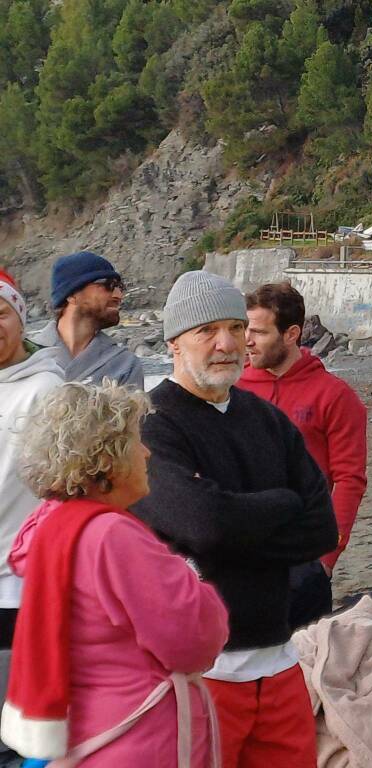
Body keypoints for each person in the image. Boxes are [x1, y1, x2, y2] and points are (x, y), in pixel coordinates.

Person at [131, 271, 337, 768]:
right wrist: (283, 503)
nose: (225, 344)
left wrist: (228, 530)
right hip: (198, 673)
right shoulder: (151, 424)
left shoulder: (266, 419)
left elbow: (322, 528)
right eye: (206, 330)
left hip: (280, 654)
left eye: (235, 328)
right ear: (174, 341)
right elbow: (204, 523)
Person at [0, 382, 228, 766]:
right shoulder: (113, 537)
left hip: (83, 735)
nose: (146, 452)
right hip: (134, 739)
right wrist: (190, 575)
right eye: (135, 441)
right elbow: (194, 639)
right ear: (107, 458)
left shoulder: (48, 525)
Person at [238, 283, 367, 627]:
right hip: (239, 555)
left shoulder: (334, 396)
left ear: (291, 334)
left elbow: (349, 480)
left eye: (259, 332)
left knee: (304, 668)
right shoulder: (232, 391)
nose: (247, 340)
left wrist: (326, 559)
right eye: (244, 328)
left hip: (303, 556)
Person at [0, 270, 63, 762]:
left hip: (20, 592)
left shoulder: (47, 391)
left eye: (1, 313)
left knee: (19, 738)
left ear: (20, 317)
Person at [30, 251, 144, 389]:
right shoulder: (26, 356)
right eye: (108, 285)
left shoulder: (124, 365)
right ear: (72, 295)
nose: (118, 295)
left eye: (120, 287)